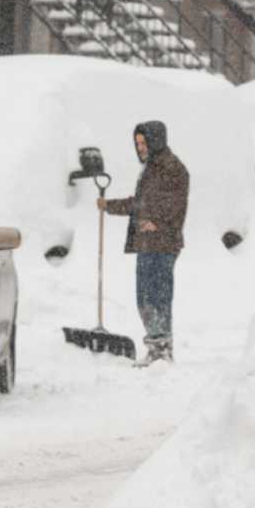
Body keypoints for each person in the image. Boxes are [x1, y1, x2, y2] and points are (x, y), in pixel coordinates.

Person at [97, 120, 189, 366]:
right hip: (148, 243)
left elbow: (175, 206)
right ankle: (157, 346)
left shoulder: (171, 168)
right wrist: (111, 206)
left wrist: (156, 224)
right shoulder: (153, 168)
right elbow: (141, 205)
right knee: (145, 297)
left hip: (162, 244)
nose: (140, 147)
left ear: (156, 140)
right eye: (137, 143)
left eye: (144, 142)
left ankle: (160, 348)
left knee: (157, 296)